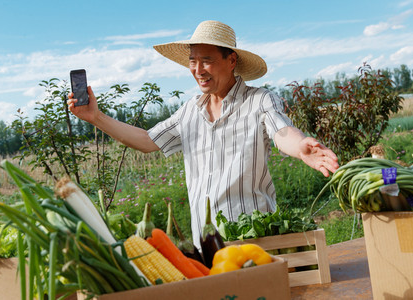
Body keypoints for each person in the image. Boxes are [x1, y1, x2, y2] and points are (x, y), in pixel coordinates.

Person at [68, 20, 339, 248]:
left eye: (206, 61)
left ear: (231, 60)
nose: (198, 70)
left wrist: (301, 145)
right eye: (193, 61)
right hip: (206, 246)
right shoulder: (188, 112)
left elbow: (282, 132)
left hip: (254, 241)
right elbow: (147, 141)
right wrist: (96, 117)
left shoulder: (260, 101)